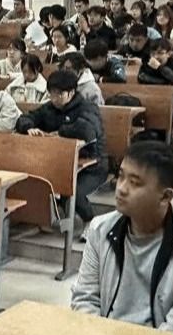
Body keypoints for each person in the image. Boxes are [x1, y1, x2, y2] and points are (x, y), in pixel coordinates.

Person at [71, 141, 173, 331]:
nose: (121, 188)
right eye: (121, 176)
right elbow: (85, 299)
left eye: (134, 183)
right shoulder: (100, 229)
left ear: (165, 196)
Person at [16, 70, 107, 225]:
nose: (54, 99)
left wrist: (60, 132)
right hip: (58, 162)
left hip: (91, 164)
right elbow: (25, 118)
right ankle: (48, 218)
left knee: (71, 190)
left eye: (59, 94)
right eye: (51, 94)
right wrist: (28, 127)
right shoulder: (49, 108)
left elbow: (88, 130)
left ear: (71, 92)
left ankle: (91, 223)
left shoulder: (88, 108)